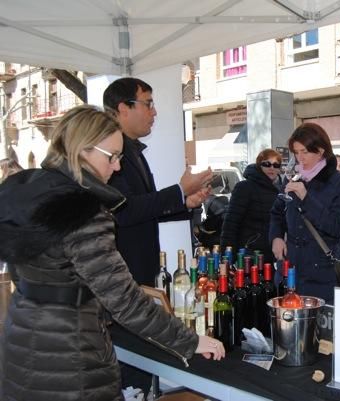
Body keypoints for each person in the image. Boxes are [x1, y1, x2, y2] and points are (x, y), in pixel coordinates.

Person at [0, 105, 225, 401]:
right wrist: (190, 340)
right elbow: (125, 300)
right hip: (70, 355)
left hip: (21, 336)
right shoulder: (82, 210)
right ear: (83, 150)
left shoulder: (31, 192)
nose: (117, 167)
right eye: (113, 157)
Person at [103, 77, 213, 287]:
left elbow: (145, 207)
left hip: (141, 272)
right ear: (123, 108)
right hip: (123, 276)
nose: (154, 112)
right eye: (148, 103)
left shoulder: (134, 151)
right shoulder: (112, 154)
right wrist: (180, 191)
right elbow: (124, 210)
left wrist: (185, 202)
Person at [269, 123, 340, 304]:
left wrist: (306, 198)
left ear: (321, 150)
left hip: (322, 274)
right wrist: (276, 236)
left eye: (305, 152)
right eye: (296, 152)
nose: (300, 158)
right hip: (291, 272)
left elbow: (338, 226)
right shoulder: (294, 177)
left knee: (320, 331)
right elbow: (277, 212)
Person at [220, 149, 283, 261]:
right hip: (249, 254)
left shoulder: (282, 190)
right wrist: (227, 257)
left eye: (276, 165)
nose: (271, 168)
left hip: (274, 254)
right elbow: (230, 224)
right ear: (259, 165)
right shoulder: (245, 187)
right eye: (267, 164)